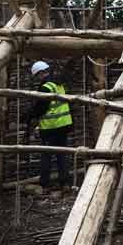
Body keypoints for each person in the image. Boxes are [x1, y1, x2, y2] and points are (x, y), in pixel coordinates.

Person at [25, 61, 73, 193]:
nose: (37, 79)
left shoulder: (46, 87)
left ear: (40, 73)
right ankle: (65, 183)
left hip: (51, 127)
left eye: (37, 76)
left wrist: (29, 115)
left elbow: (41, 108)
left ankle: (44, 184)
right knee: (62, 155)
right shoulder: (59, 84)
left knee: (46, 156)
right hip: (64, 125)